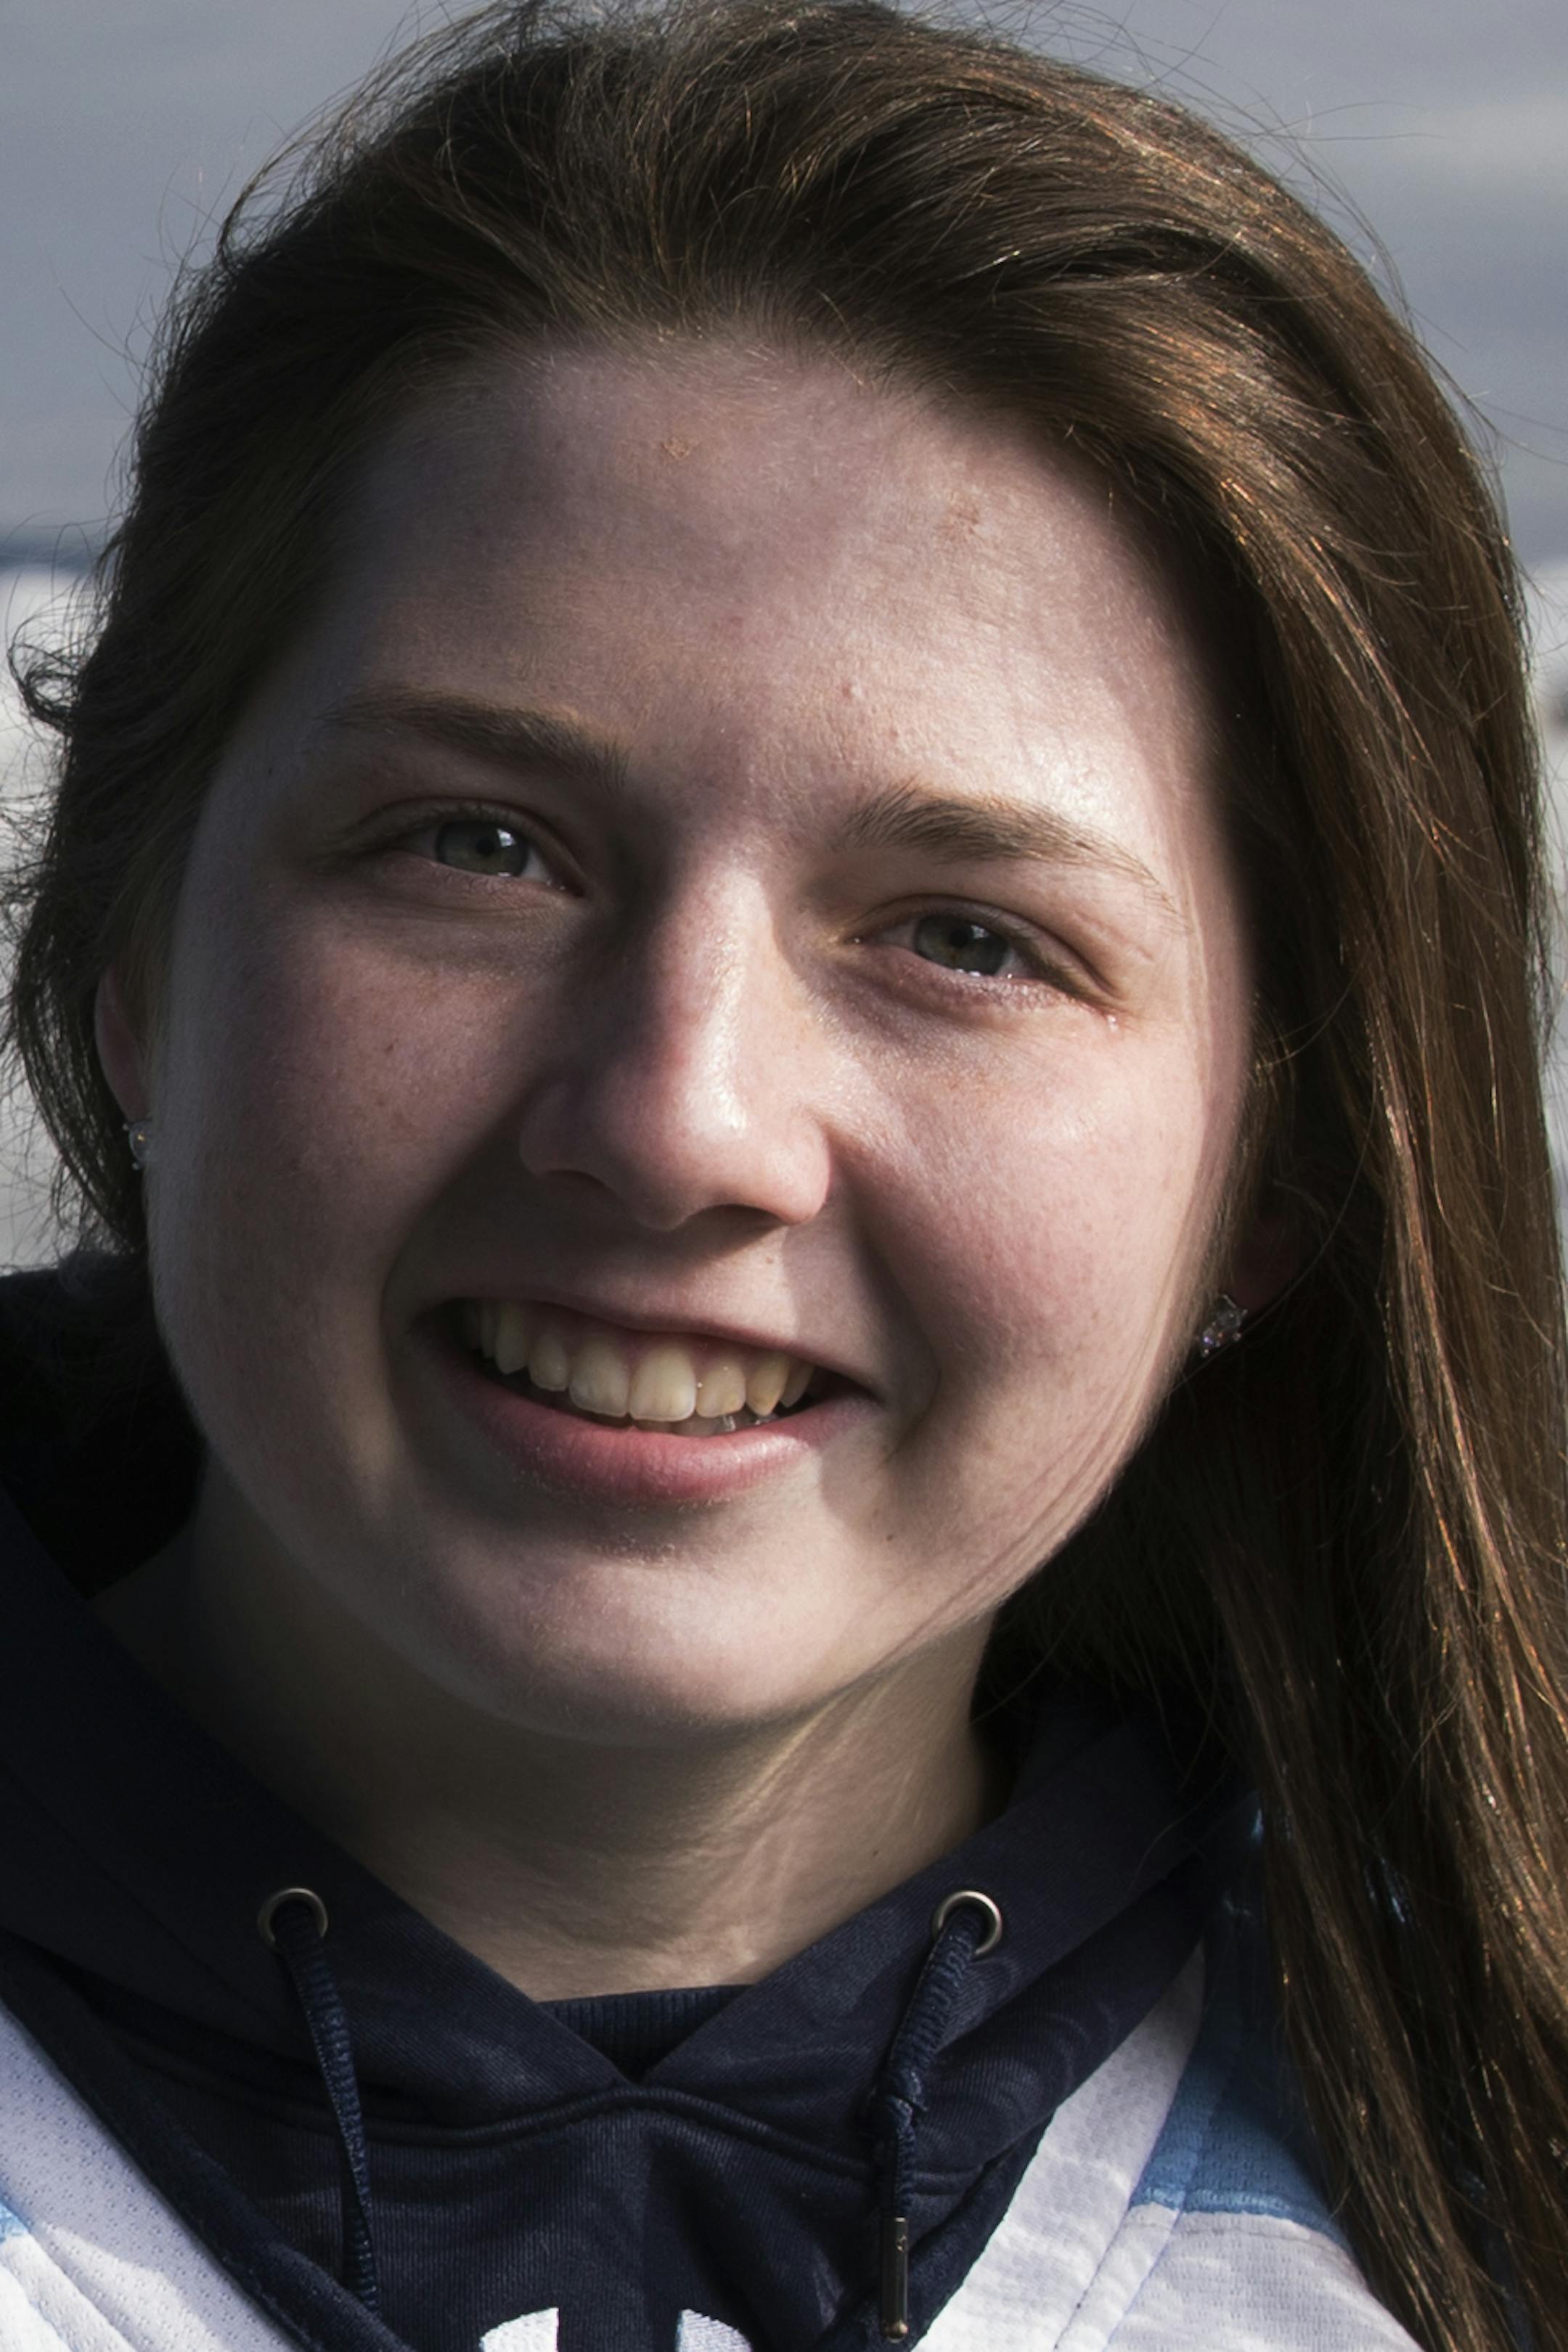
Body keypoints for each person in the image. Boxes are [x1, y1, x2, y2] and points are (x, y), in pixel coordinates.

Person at [1, 3, 1564, 2348]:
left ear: (1285, 1172)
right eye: (482, 844)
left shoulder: (1485, 2187)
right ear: (134, 943)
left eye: (969, 937)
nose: (676, 1119)